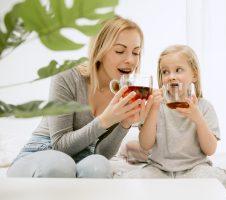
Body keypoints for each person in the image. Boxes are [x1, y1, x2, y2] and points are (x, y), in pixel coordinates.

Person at [7, 16, 151, 178]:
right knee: (60, 164)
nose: (131, 60)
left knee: (100, 165)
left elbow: (101, 152)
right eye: (119, 51)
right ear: (100, 50)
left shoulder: (122, 93)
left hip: (82, 158)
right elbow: (60, 146)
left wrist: (124, 124)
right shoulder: (67, 77)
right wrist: (104, 120)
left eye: (136, 53)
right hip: (43, 151)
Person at [121, 45, 226, 199]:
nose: (171, 76)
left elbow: (210, 150)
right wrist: (154, 109)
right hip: (159, 169)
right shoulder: (156, 106)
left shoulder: (204, 107)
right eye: (165, 72)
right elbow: (145, 145)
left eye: (178, 70)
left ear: (194, 75)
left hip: (194, 169)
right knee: (126, 184)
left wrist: (198, 119)